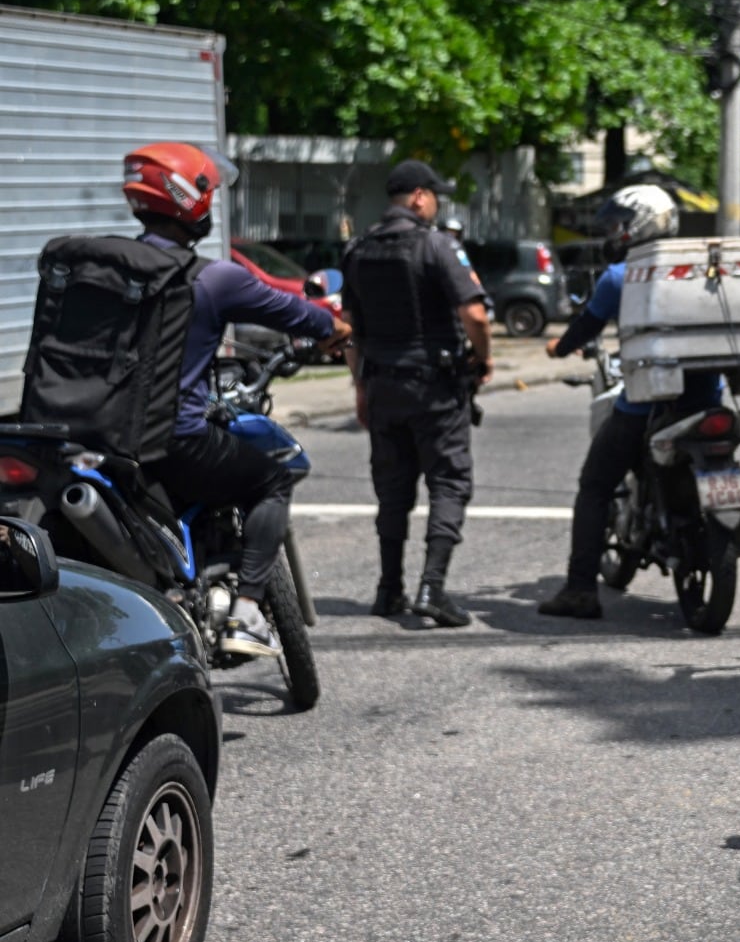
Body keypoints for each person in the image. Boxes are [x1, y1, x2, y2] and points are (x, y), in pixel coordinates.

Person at [124, 142, 350, 657]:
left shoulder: (116, 267)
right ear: (190, 202)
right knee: (270, 477)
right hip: (174, 440)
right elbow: (294, 312)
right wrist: (335, 327)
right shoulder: (211, 276)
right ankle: (247, 610)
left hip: (102, 438)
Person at [538, 184, 717, 620]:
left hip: (646, 406)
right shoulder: (706, 271)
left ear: (642, 223)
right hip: (708, 402)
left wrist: (559, 348)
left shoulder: (620, 277)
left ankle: (581, 589)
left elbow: (586, 327)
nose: (616, 232)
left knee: (594, 485)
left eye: (622, 223)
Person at [341, 159, 493, 628]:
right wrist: (484, 358)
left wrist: (361, 388)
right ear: (420, 197)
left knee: (392, 490)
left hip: (383, 384)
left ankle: (389, 590)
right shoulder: (437, 245)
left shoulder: (358, 250)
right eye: (435, 196)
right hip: (435, 387)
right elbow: (476, 315)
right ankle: (432, 588)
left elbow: (350, 330)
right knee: (448, 481)